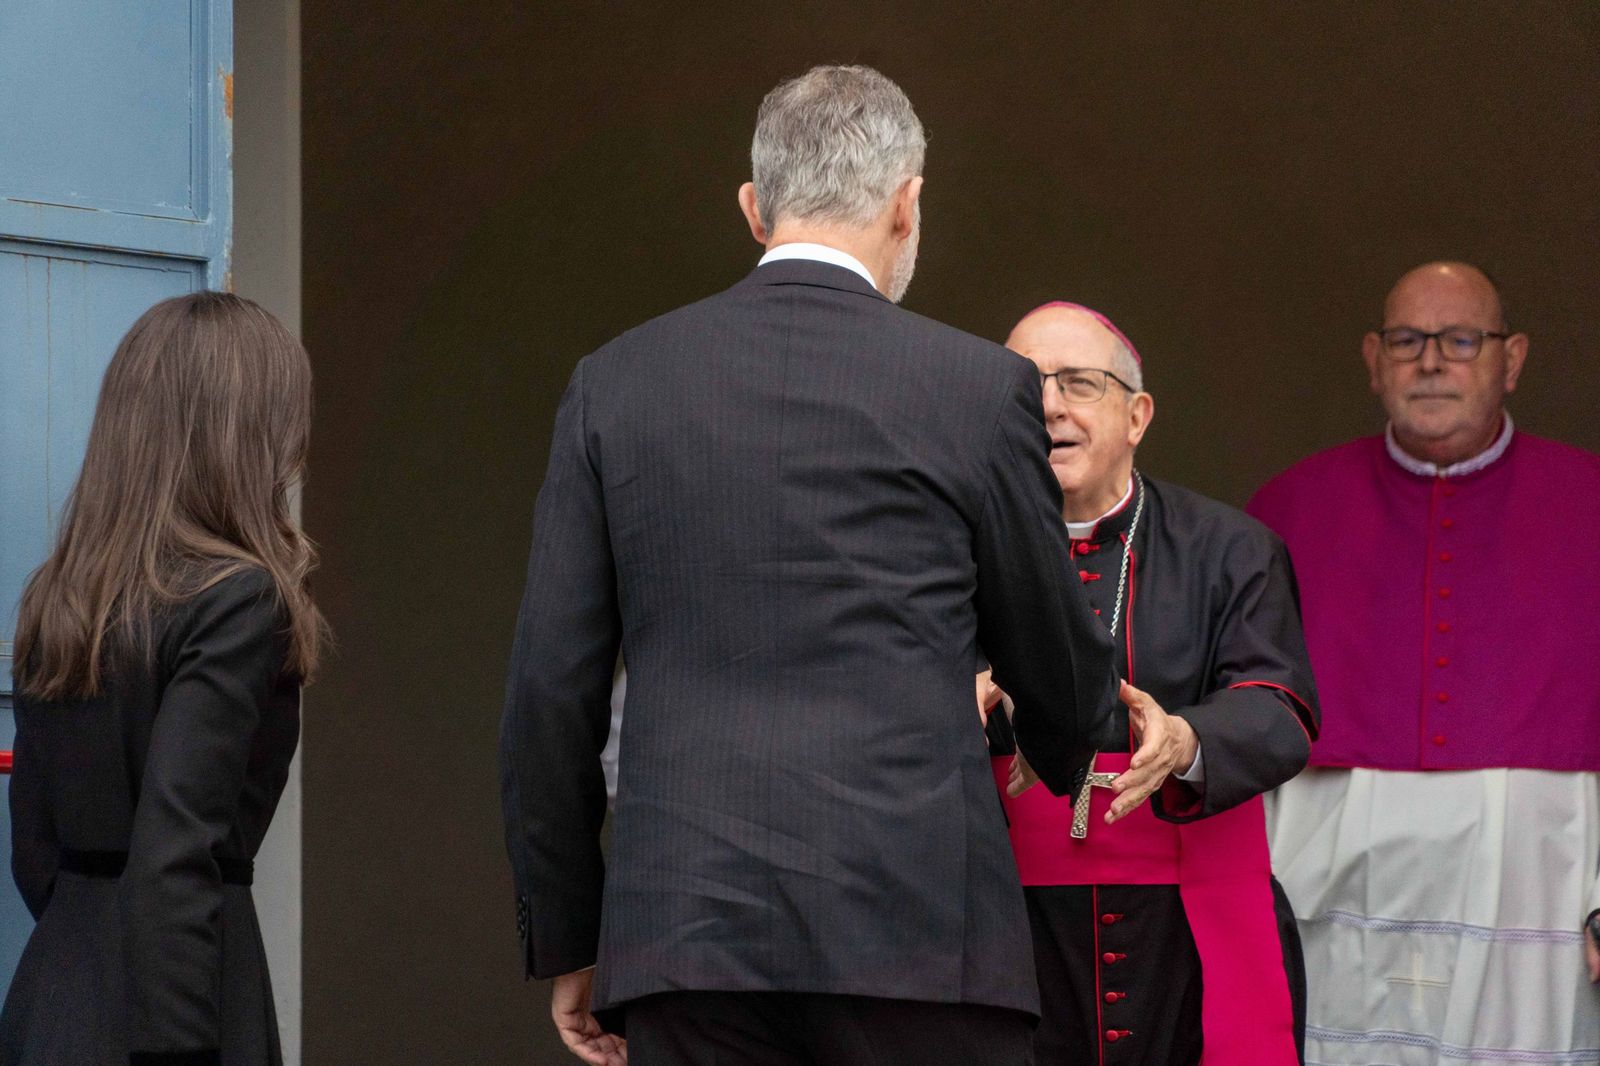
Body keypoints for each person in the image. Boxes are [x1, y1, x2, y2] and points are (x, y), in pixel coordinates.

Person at [499, 66, 1119, 1066]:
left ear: (753, 207)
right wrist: (1068, 732)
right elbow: (1051, 652)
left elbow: (547, 691)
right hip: (922, 933)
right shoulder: (974, 388)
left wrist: (573, 933)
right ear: (906, 202)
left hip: (688, 938)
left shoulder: (615, 385)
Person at [1248, 261, 1600, 1065]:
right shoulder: (1287, 510)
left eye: (1461, 339)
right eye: (1408, 340)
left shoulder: (1590, 503)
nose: (1432, 360)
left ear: (1511, 361)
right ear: (1373, 359)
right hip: (1336, 897)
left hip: (1537, 891)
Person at [987, 302, 1320, 1066]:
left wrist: (1189, 739)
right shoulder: (949, 551)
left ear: (1137, 416)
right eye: (1024, 386)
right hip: (1014, 935)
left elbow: (1282, 706)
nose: (1048, 406)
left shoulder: (1232, 549)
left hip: (1189, 929)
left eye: (1078, 383)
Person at [1, 292, 325, 1066]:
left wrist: (89, 954)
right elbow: (175, 850)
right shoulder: (241, 598)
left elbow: (34, 849)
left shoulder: (59, 597)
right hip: (179, 1016)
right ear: (244, 434)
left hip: (54, 995)